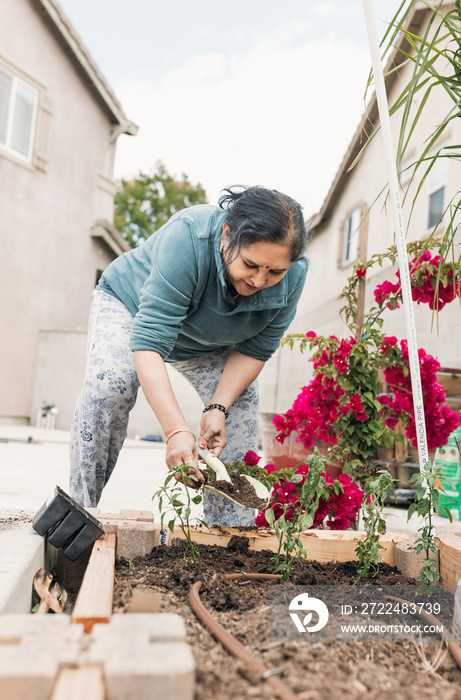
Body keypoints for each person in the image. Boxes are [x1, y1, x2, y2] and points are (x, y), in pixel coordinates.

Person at [69, 185, 308, 524]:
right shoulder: (188, 236)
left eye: (275, 272)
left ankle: (226, 535)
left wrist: (217, 407)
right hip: (131, 308)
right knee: (111, 385)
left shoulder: (294, 275)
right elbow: (151, 340)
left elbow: (255, 350)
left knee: (240, 407)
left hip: (205, 343)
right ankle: (80, 511)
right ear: (227, 235)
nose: (258, 280)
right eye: (250, 264)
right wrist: (176, 432)